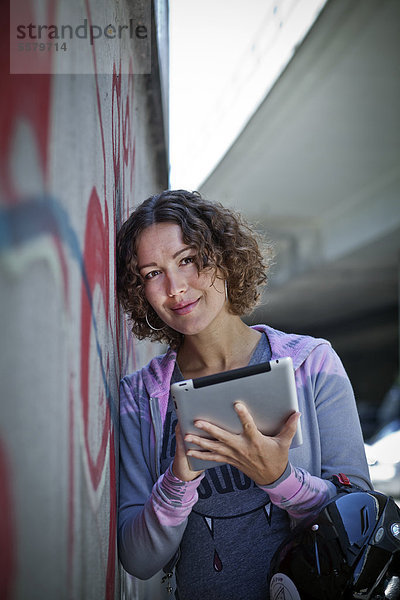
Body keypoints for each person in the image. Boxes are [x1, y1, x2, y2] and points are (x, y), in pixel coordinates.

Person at [116, 189, 371, 600]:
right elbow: (138, 560)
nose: (175, 288)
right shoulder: (140, 397)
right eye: (152, 273)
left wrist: (280, 479)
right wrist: (178, 481)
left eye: (187, 260)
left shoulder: (312, 363)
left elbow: (360, 513)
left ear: (223, 256)